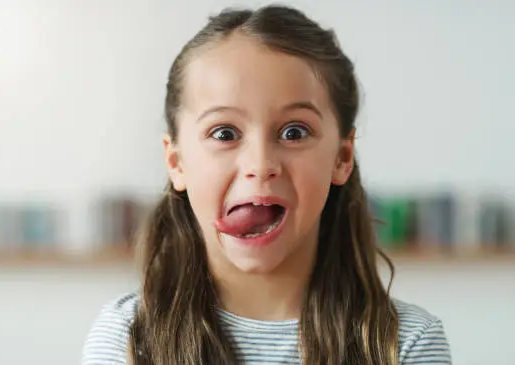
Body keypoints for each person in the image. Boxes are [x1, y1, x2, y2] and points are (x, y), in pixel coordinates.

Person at [82, 5, 452, 365]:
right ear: (176, 162)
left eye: (294, 132)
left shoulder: (405, 344)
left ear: (341, 158)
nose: (260, 166)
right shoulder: (127, 340)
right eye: (224, 133)